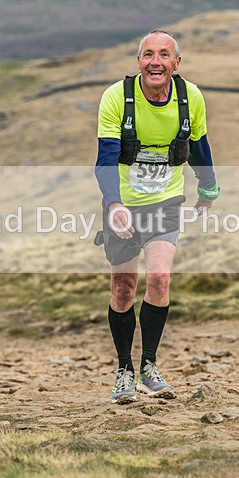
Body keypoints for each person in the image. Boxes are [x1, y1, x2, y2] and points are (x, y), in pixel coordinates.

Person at [94, 30, 220, 404]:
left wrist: (208, 186)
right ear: (139, 62)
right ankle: (123, 370)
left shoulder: (189, 97)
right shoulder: (117, 97)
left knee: (161, 278)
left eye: (164, 54)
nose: (155, 61)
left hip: (166, 202)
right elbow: (105, 158)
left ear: (176, 64)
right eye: (148, 54)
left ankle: (148, 364)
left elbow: (198, 145)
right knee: (123, 289)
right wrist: (114, 205)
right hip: (123, 204)